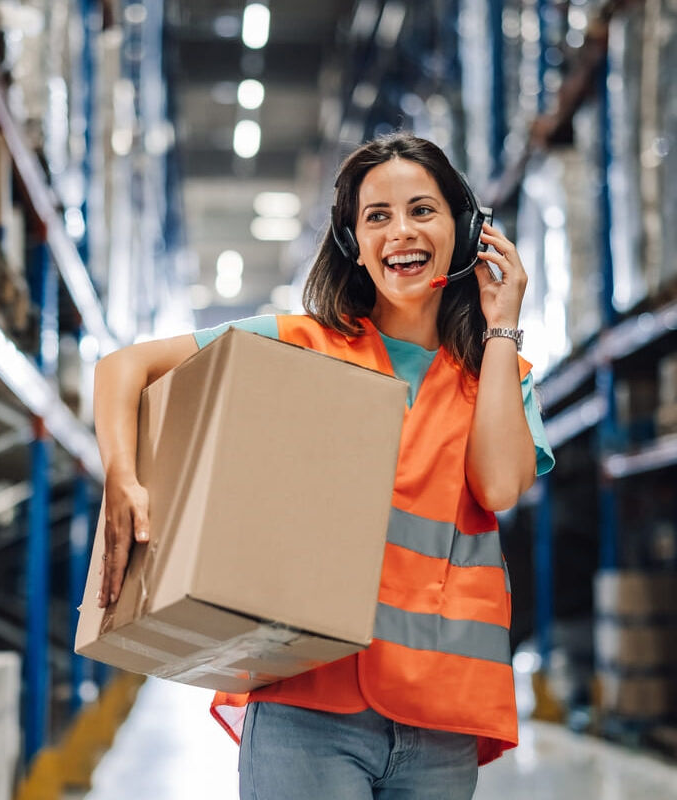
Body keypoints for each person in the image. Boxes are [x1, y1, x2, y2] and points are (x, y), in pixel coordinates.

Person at [92, 132, 555, 799]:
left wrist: (502, 327)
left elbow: (500, 484)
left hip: (441, 717)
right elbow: (122, 367)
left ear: (465, 230)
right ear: (352, 243)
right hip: (309, 704)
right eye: (377, 217)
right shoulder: (301, 345)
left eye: (422, 210)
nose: (401, 231)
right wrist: (122, 476)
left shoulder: (496, 376)